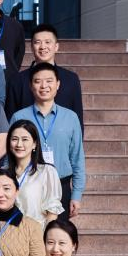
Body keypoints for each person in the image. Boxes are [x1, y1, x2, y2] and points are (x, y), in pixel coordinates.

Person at [12, 62, 86, 220]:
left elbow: (77, 158)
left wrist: (76, 195)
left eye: (49, 81)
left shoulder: (71, 117)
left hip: (62, 185)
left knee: (55, 234)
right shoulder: (19, 117)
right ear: (31, 86)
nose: (44, 86)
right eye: (38, 81)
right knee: (27, 232)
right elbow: (9, 156)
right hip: (27, 186)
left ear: (58, 84)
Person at [6, 24, 84, 124]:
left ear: (56, 47)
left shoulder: (71, 79)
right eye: (37, 42)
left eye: (47, 42)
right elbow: (10, 119)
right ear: (31, 47)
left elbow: (77, 120)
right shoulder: (16, 80)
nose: (43, 47)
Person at [5, 119, 64, 224]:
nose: (19, 144)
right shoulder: (2, 173)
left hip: (37, 232)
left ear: (34, 144)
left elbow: (52, 214)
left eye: (25, 139)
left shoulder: (47, 172)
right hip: (8, 232)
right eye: (14, 139)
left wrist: (44, 234)